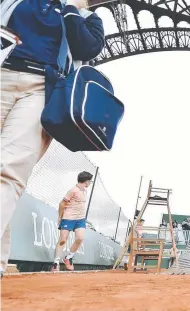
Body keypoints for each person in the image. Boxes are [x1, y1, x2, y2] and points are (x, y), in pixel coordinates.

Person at [0, 0, 105, 277]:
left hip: (41, 88)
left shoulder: (86, 16)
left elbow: (87, 48)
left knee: (8, 169)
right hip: (2, 74)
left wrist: (71, 9)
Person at [51, 171, 94, 272]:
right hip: (68, 218)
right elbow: (62, 204)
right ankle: (56, 262)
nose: (89, 183)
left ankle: (69, 258)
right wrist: (60, 217)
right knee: (63, 240)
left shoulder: (85, 191)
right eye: (89, 181)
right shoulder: (72, 190)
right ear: (86, 181)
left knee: (80, 238)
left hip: (80, 219)